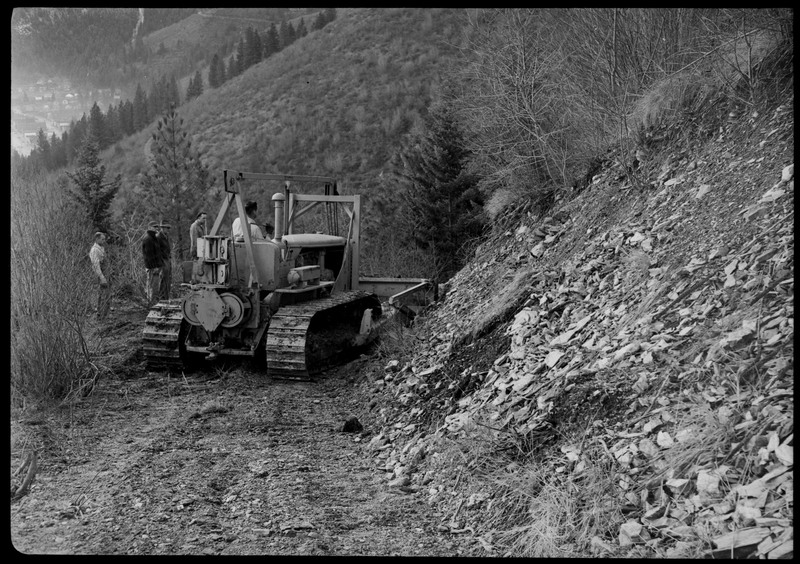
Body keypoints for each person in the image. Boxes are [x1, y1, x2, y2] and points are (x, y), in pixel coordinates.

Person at [89, 231, 111, 319]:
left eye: (104, 239)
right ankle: (101, 316)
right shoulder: (94, 250)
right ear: (97, 239)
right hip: (101, 275)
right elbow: (95, 265)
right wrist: (102, 278)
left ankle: (105, 314)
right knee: (102, 296)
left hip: (106, 274)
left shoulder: (101, 248)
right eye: (102, 239)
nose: (104, 241)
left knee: (107, 295)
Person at [142, 223, 163, 306]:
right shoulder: (148, 239)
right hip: (152, 267)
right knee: (152, 287)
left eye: (157, 227)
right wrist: (154, 267)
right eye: (154, 227)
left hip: (155, 266)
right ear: (149, 227)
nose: (156, 228)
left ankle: (152, 302)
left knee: (154, 286)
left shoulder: (154, 237)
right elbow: (149, 255)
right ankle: (151, 304)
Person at [155, 223, 172, 300]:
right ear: (162, 228)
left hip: (167, 259)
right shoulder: (158, 237)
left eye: (169, 228)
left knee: (167, 280)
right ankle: (161, 298)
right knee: (163, 279)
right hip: (162, 260)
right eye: (167, 228)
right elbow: (156, 251)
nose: (168, 230)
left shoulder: (166, 236)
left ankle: (166, 297)